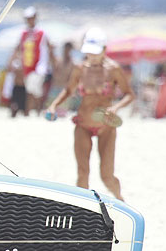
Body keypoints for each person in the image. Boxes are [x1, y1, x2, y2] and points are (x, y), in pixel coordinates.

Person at [46, 27, 134, 201]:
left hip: (106, 126)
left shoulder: (113, 69)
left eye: (95, 53)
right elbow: (68, 90)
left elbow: (130, 95)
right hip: (83, 124)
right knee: (82, 172)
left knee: (107, 176)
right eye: (89, 53)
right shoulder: (80, 68)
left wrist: (115, 108)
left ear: (104, 50)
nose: (91, 57)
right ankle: (82, 208)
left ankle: (120, 198)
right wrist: (54, 105)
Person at [7, 6, 50, 116]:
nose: (29, 20)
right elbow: (18, 48)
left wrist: (52, 64)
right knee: (32, 91)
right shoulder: (24, 33)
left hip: (39, 66)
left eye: (30, 17)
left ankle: (32, 112)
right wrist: (12, 61)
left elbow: (49, 48)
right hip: (27, 67)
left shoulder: (41, 32)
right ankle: (34, 112)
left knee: (33, 91)